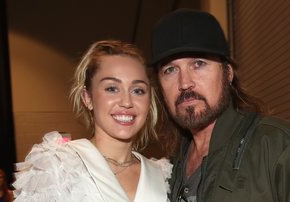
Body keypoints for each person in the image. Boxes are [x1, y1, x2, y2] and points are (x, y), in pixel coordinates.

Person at [150, 8, 290, 202]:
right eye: (170, 70)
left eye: (198, 63)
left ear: (228, 73)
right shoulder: (173, 166)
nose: (184, 83)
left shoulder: (281, 147)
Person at [13, 40, 172, 201]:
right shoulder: (58, 167)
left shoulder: (161, 175)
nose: (127, 102)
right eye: (112, 88)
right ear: (87, 97)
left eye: (138, 90)